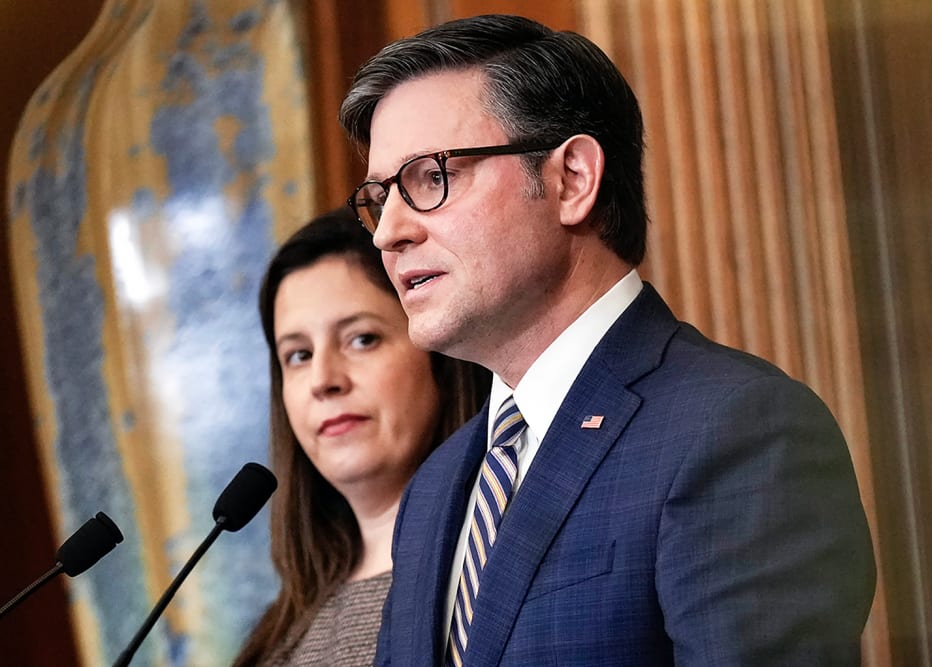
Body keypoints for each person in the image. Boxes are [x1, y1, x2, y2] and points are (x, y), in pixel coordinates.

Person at [339, 13, 877, 667]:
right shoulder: (435, 488)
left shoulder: (737, 429)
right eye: (379, 196)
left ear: (572, 179)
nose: (387, 232)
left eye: (430, 178)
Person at [233, 208, 490, 666]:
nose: (323, 380)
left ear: (440, 358)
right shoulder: (278, 631)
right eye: (298, 355)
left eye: (362, 339)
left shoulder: (490, 570)